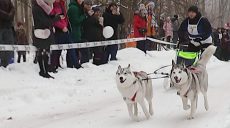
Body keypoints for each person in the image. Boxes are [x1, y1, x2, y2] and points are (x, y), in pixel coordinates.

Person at [32, 0, 62, 78]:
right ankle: (42, 71)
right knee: (41, 52)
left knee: (46, 53)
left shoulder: (46, 7)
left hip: (47, 33)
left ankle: (45, 71)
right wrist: (56, 19)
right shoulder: (37, 8)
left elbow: (48, 19)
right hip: (41, 33)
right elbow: (44, 22)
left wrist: (55, 16)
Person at [49, 0, 77, 72]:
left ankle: (76, 64)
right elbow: (54, 19)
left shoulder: (62, 5)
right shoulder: (53, 5)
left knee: (71, 47)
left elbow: (65, 18)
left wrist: (66, 26)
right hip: (59, 31)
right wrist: (62, 27)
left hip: (65, 30)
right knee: (57, 50)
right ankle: (53, 65)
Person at [68, 0, 92, 67]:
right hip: (74, 32)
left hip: (78, 32)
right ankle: (71, 65)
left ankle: (77, 64)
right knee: (73, 50)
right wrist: (84, 16)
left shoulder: (79, 7)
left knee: (76, 49)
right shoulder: (74, 8)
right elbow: (76, 21)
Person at [0, 0, 15, 67]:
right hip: (1, 26)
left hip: (8, 26)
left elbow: (13, 10)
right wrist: (7, 15)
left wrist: (10, 15)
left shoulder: (9, 1)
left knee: (8, 45)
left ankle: (5, 64)